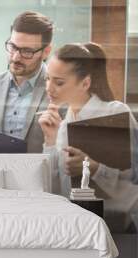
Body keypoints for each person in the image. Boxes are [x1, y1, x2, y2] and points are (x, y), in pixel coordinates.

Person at [39, 42, 138, 231]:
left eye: (59, 82)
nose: (49, 88)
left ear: (85, 83)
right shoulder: (62, 125)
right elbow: (55, 188)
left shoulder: (114, 113)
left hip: (114, 227)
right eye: (47, 79)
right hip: (75, 226)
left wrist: (95, 168)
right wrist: (50, 142)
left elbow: (133, 176)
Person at [0, 11, 53, 153]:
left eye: (27, 51)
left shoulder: (58, 90)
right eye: (13, 47)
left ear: (46, 52)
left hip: (36, 174)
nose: (16, 57)